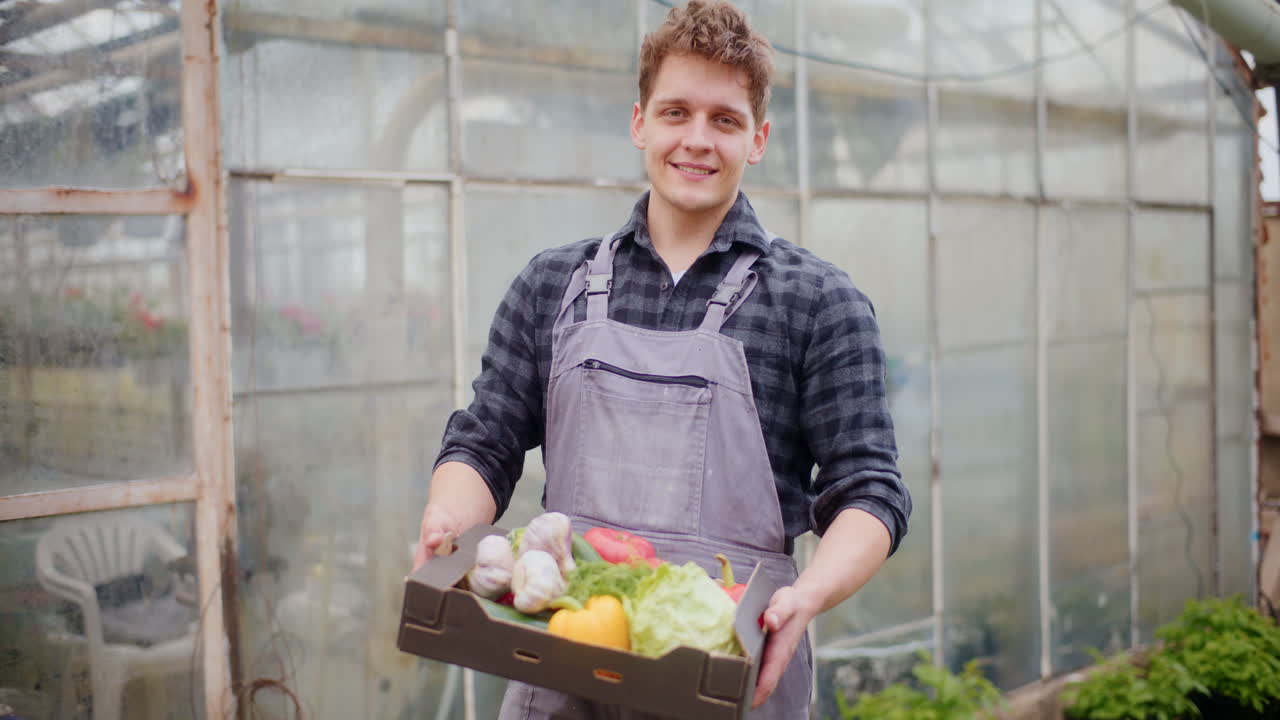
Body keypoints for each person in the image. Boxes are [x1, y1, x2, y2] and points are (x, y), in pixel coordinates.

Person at [412, 1, 911, 717]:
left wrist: (807, 595)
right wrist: (445, 520)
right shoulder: (552, 285)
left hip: (731, 672)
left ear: (759, 138)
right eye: (676, 112)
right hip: (563, 659)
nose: (697, 140)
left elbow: (870, 491)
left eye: (725, 120)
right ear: (639, 121)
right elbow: (484, 442)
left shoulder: (818, 303)